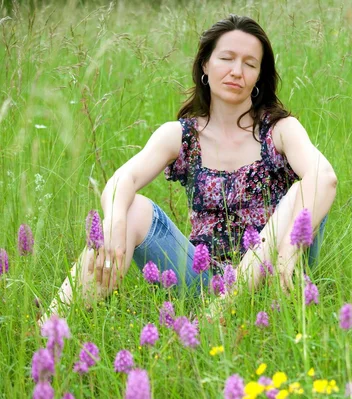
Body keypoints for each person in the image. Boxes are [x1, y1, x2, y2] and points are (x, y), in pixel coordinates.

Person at [45, 15, 337, 318]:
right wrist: (114, 225)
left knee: (305, 188)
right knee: (130, 208)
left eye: (250, 64)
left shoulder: (279, 130)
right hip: (205, 285)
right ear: (205, 67)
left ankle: (227, 308)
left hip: (279, 273)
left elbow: (325, 177)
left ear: (259, 77)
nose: (237, 71)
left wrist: (288, 252)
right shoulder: (182, 135)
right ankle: (51, 325)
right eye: (226, 58)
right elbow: (123, 179)